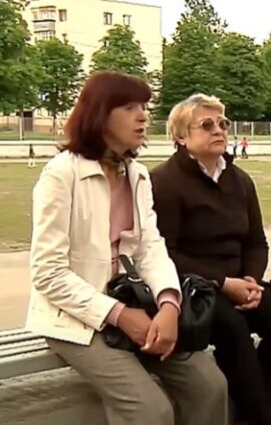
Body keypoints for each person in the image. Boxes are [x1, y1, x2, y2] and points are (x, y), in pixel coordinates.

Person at [27, 71, 228, 425]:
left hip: (134, 304)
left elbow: (150, 247)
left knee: (209, 387)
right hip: (74, 319)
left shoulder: (136, 174)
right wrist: (118, 314)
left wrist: (169, 303)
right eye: (129, 107)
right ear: (100, 114)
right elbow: (48, 273)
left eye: (144, 107)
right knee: (150, 410)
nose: (143, 116)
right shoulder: (61, 174)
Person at [151, 93, 271, 425]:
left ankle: (251, 415)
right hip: (193, 287)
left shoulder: (240, 180)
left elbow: (257, 242)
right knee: (233, 328)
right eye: (206, 125)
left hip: (239, 282)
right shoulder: (164, 182)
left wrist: (251, 280)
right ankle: (263, 420)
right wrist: (222, 283)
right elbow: (164, 253)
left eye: (223, 123)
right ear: (181, 137)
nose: (219, 130)